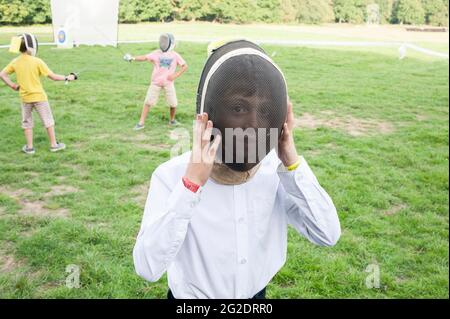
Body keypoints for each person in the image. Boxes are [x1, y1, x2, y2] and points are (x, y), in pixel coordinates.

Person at [133, 40, 341, 299]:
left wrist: (291, 161)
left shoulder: (276, 173)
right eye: (239, 108)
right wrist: (190, 186)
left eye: (265, 110)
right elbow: (147, 267)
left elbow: (328, 234)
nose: (253, 124)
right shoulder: (172, 175)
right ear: (209, 113)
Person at [0, 33, 77, 154]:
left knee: (27, 123)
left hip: (25, 98)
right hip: (39, 97)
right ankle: (53, 145)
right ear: (32, 46)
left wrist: (13, 85)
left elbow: (2, 74)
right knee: (48, 120)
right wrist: (68, 77)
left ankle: (29, 148)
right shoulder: (37, 61)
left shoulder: (15, 62)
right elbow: (53, 77)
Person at [124, 33, 188, 129]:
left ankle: (172, 120)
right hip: (156, 82)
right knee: (148, 102)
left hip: (168, 83)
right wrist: (132, 58)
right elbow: (145, 57)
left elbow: (184, 66)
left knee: (173, 103)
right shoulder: (156, 53)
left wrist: (175, 75)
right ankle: (141, 123)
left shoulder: (175, 55)